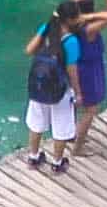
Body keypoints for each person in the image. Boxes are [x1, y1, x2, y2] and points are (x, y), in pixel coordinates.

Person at [22, 17, 81, 174]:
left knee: (36, 123)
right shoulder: (71, 41)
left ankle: (33, 157)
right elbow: (72, 69)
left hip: (39, 87)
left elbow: (29, 50)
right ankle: (57, 162)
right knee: (61, 127)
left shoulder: (46, 29)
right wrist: (78, 92)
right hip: (60, 91)